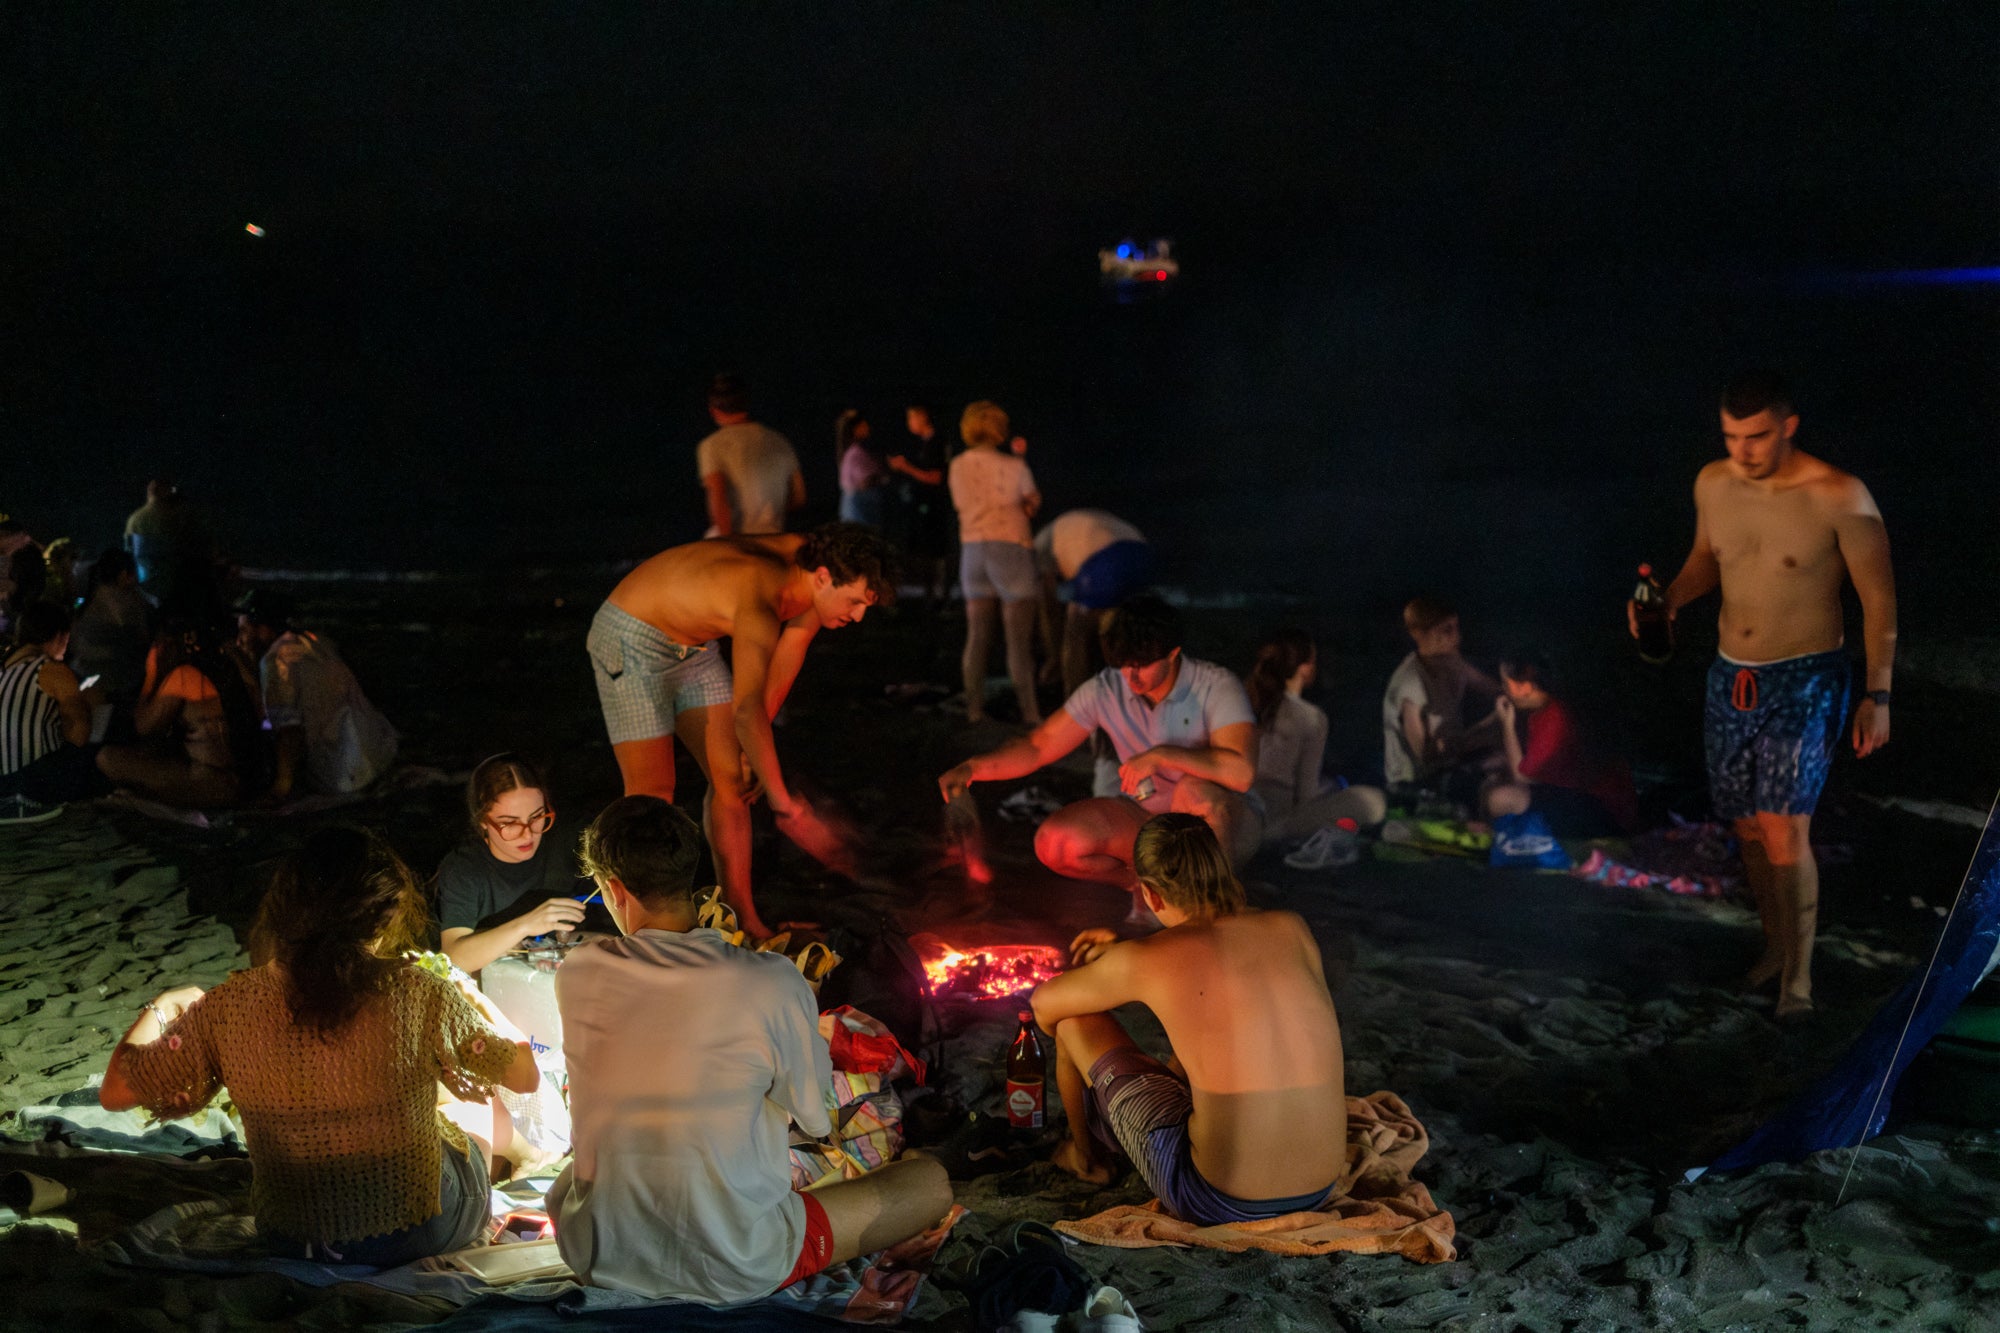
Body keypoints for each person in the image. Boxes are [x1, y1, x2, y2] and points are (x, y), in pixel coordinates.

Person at [546, 796, 952, 1304]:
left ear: (615, 888)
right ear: (689, 875)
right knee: (930, 1181)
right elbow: (816, 1118)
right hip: (737, 1263)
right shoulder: (773, 980)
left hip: (599, 1255)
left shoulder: (578, 971)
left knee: (574, 1177)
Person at [99, 827, 540, 1266]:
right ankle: (529, 1157)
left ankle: (527, 1155)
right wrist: (480, 1004)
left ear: (285, 910)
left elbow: (116, 1091)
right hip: (413, 1232)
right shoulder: (418, 992)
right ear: (388, 913)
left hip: (292, 1236)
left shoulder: (229, 1005)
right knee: (472, 1110)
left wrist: (161, 1007)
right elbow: (524, 1075)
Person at [1636, 370, 1895, 1018]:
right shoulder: (1713, 482)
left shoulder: (1840, 495)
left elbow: (1879, 601)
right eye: (1731, 436)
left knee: (1785, 829)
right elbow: (1706, 558)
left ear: (1787, 427)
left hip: (1804, 678)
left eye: (1755, 437)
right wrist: (1668, 600)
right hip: (1731, 675)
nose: (1742, 450)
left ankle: (1799, 982)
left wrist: (1878, 695)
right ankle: (1777, 946)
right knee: (1748, 829)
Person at [1030, 814, 1346, 1223]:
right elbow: (1219, 962)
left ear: (1151, 895)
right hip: (1319, 1188)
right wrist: (1131, 957)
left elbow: (1045, 1007)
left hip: (1218, 1199)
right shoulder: (1291, 928)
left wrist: (1122, 964)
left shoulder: (1149, 960)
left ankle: (1084, 1159)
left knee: (1074, 1022)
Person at [587, 522, 894, 937]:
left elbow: (784, 662)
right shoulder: (763, 596)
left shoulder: (816, 564)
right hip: (632, 633)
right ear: (823, 579)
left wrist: (752, 753)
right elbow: (747, 710)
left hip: (693, 648)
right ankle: (640, 925)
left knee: (733, 781)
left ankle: (741, 918)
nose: (858, 616)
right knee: (653, 794)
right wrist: (786, 806)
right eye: (855, 602)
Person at [940, 594, 1259, 913]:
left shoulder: (1215, 686)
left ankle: (1217, 909)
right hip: (1147, 816)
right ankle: (1147, 890)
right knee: (1055, 841)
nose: (1131, 677)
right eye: (1124, 665)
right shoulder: (1107, 689)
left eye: (1142, 665)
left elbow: (1241, 773)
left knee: (1195, 792)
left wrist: (1163, 755)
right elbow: (1038, 746)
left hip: (1218, 823)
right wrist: (972, 769)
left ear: (1173, 653)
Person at [435, 753, 593, 976]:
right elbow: (452, 958)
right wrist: (527, 925)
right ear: (482, 820)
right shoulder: (464, 869)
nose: (527, 834)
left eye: (537, 817)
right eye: (510, 823)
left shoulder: (568, 842)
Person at [235, 590, 399, 798]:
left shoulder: (275, 661)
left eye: (243, 631)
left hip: (345, 775)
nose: (239, 641)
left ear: (263, 628)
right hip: (381, 752)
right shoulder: (316, 642)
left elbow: (289, 730)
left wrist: (281, 788)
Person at [97, 620, 270, 807]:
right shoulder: (235, 664)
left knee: (107, 758)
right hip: (250, 778)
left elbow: (143, 727)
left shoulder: (183, 676)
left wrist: (151, 673)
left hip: (216, 783)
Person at [1242, 628, 1386, 843]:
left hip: (1239, 814)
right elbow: (1305, 795)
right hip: (1275, 823)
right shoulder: (1311, 717)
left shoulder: (1241, 702)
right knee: (1374, 801)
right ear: (1306, 668)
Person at [948, 400, 1042, 725]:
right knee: (1018, 641)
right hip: (1010, 547)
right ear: (998, 428)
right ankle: (1030, 712)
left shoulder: (957, 465)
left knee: (977, 636)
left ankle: (974, 710)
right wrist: (1020, 462)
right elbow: (1030, 503)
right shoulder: (1014, 467)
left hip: (973, 551)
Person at [1482, 651, 1638, 837]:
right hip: (1578, 798)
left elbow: (1522, 777)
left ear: (1523, 687)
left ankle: (1498, 838)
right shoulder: (1544, 711)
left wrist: (1507, 724)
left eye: (1505, 683)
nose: (1503, 689)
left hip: (1603, 813)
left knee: (1500, 798)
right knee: (1494, 776)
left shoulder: (1557, 716)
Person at [1380, 597, 1503, 803]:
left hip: (1450, 763)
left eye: (1456, 627)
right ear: (1419, 634)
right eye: (1446, 630)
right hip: (1415, 783)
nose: (1456, 636)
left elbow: (1492, 689)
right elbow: (1426, 758)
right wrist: (1480, 736)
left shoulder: (1452, 662)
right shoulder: (1409, 685)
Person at [1033, 508, 1155, 700]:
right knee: (1126, 628)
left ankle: (1075, 704)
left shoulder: (1039, 546)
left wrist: (1053, 656)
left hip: (1104, 560)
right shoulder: (1070, 524)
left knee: (1076, 630)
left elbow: (1049, 608)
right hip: (1142, 555)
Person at [0, 601, 107, 805]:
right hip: (32, 783)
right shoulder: (50, 669)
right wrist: (88, 704)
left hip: (3, 783)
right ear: (60, 636)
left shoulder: (4, 670)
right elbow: (79, 737)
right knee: (99, 754)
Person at [697, 374, 805, 537]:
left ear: (713, 411)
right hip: (774, 535)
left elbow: (719, 500)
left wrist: (727, 543)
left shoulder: (712, 446)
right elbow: (799, 498)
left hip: (737, 538)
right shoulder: (780, 441)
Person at [67, 550, 156, 712]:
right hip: (114, 683)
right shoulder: (128, 600)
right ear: (124, 575)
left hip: (82, 675)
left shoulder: (93, 595)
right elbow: (143, 639)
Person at [886, 404, 952, 605]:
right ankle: (929, 595)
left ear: (923, 418)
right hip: (924, 506)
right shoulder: (922, 444)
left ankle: (940, 596)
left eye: (911, 419)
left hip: (936, 506)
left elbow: (935, 477)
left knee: (936, 550)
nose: (909, 424)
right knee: (924, 549)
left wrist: (906, 467)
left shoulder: (937, 442)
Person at [124, 479, 219, 616]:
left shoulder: (134, 519)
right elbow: (200, 549)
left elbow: (128, 551)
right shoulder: (180, 518)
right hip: (177, 587)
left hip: (144, 586)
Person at [834, 409, 890, 528]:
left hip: (856, 508)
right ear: (855, 429)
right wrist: (883, 476)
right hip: (859, 510)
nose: (868, 428)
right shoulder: (855, 454)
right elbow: (865, 481)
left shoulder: (851, 452)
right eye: (864, 425)